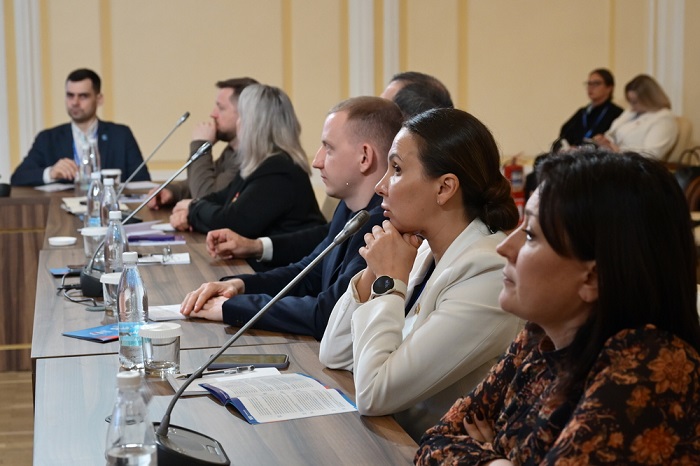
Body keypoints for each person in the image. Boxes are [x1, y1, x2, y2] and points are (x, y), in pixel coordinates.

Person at [415, 149, 700, 465]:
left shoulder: (651, 365)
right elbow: (435, 441)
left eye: (530, 235)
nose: (505, 247)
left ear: (592, 277)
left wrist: (489, 451)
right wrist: (497, 461)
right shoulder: (540, 335)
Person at [318, 108, 521, 440]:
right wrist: (373, 273)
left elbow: (373, 394)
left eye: (397, 169)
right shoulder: (422, 250)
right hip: (394, 439)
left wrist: (388, 283)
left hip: (426, 449)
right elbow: (334, 353)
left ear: (444, 188)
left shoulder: (488, 272)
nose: (381, 185)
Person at [180, 96, 404, 340]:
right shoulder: (349, 208)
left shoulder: (381, 224)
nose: (317, 161)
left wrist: (232, 308)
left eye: (329, 149)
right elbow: (309, 272)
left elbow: (328, 313)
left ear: (364, 157)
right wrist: (240, 285)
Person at [205, 71, 454, 268]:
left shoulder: (392, 217)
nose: (382, 118)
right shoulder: (353, 203)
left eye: (389, 112)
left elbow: (333, 305)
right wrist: (256, 250)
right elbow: (320, 254)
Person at [168, 84, 325, 238]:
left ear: (254, 126)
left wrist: (193, 209)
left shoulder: (279, 169)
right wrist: (193, 208)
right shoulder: (261, 163)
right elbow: (223, 198)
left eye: (241, 117)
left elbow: (233, 223)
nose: (238, 124)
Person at [11, 68, 149, 186]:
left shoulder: (120, 135)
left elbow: (143, 180)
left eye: (83, 96)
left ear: (99, 99)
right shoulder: (48, 138)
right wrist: (51, 173)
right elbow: (18, 178)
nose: (75, 102)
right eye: (70, 95)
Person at [147, 77, 258, 209]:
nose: (213, 114)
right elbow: (200, 182)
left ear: (244, 114)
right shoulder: (231, 151)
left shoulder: (250, 156)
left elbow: (206, 198)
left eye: (221, 108)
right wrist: (171, 192)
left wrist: (200, 145)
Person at [593, 74, 678, 159]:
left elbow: (652, 154)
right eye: (630, 101)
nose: (632, 106)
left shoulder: (664, 118)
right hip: (615, 159)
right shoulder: (631, 112)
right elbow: (613, 134)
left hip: (635, 164)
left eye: (635, 102)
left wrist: (619, 150)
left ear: (649, 99)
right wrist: (605, 141)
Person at [556, 68, 623, 149]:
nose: (591, 87)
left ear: (609, 88)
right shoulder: (582, 113)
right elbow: (564, 134)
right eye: (589, 84)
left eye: (596, 83)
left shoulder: (618, 114)